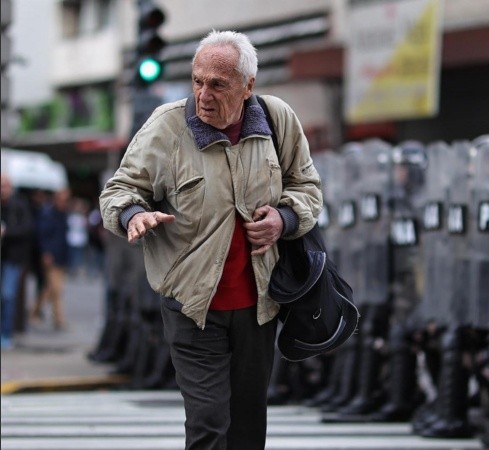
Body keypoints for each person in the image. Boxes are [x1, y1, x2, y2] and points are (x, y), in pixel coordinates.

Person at [99, 30, 322, 450]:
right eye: (197, 81)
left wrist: (284, 217)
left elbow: (307, 186)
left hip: (259, 304)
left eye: (218, 84)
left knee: (248, 425)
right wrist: (134, 214)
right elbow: (119, 189)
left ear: (247, 86)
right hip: (192, 306)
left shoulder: (278, 120)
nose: (203, 94)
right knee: (208, 422)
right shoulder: (167, 127)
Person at [0, 174, 35, 349]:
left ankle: (6, 334)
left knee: (7, 296)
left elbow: (27, 229)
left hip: (12, 258)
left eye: (4, 186)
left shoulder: (19, 205)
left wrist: (6, 232)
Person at [31, 187, 71, 331]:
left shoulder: (63, 214)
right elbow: (43, 235)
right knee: (57, 289)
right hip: (52, 256)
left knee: (49, 289)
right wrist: (46, 253)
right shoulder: (48, 214)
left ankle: (33, 311)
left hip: (61, 256)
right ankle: (59, 319)